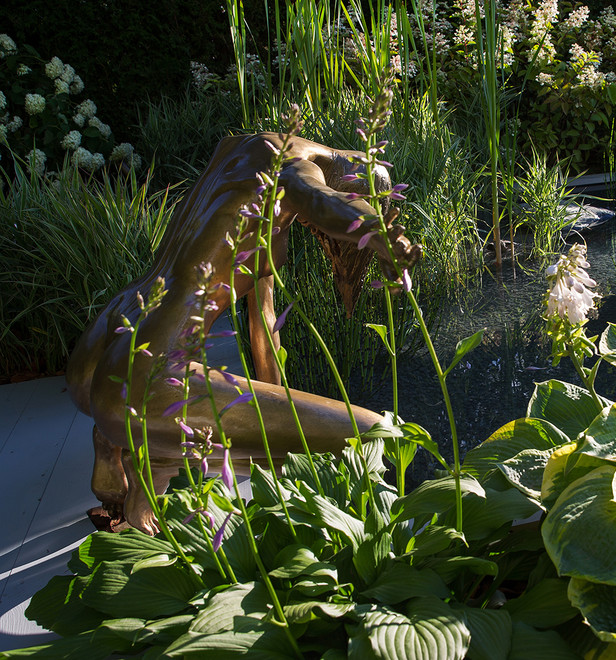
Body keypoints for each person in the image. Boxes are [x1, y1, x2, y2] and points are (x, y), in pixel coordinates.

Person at [65, 131, 421, 533]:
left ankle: (116, 444)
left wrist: (276, 408)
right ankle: (149, 471)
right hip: (148, 381)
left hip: (105, 345)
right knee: (371, 434)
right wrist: (383, 234)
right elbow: (320, 201)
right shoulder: (296, 166)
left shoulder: (238, 157)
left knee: (231, 420)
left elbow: (264, 326)